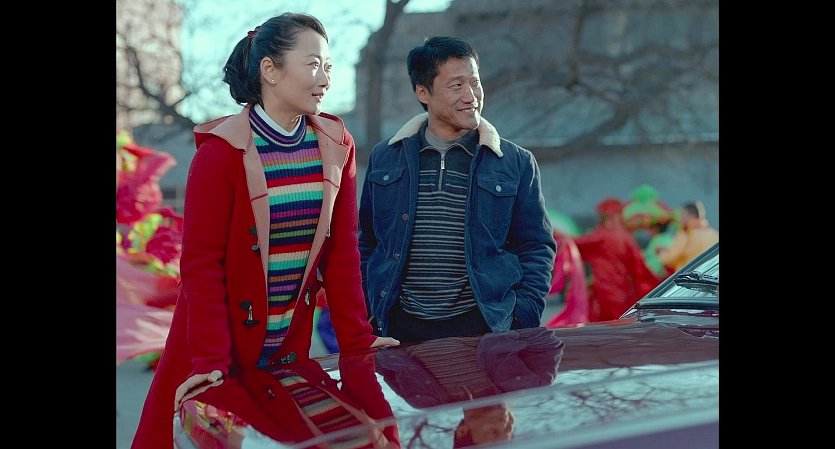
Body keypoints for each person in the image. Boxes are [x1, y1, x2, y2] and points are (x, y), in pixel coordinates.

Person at [131, 13, 399, 449]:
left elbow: (341, 254)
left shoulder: (337, 145)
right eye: (313, 65)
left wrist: (358, 342)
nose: (325, 79)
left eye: (329, 66)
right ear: (270, 70)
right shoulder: (221, 153)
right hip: (212, 350)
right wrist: (211, 362)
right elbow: (201, 265)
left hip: (286, 350)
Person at [358, 36, 557, 342]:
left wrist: (521, 316)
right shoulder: (386, 157)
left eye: (475, 83)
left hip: (485, 329)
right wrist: (370, 312)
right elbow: (367, 244)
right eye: (457, 85)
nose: (471, 96)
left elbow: (536, 246)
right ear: (423, 92)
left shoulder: (514, 162)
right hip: (400, 331)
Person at [375, 327, 564, 447]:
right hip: (485, 302)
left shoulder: (422, 400)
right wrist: (505, 331)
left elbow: (381, 363)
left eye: (494, 432)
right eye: (510, 429)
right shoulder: (532, 384)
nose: (506, 422)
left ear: (463, 431)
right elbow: (546, 339)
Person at [573, 198, 661, 322]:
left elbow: (575, 245)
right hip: (624, 291)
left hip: (604, 291)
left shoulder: (600, 234)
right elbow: (639, 268)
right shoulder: (626, 236)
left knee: (605, 326)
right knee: (623, 324)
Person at [658, 200, 719, 272]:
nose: (680, 218)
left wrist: (661, 253)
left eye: (683, 214)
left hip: (690, 276)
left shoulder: (686, 234)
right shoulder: (714, 234)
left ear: (690, 215)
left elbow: (670, 258)